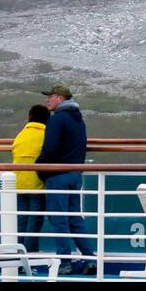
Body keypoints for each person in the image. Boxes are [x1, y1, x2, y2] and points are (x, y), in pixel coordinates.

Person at [35, 84, 95, 275]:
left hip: (57, 174)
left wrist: (40, 167)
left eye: (50, 97)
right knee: (74, 218)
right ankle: (90, 259)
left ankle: (65, 262)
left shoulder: (57, 120)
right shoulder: (78, 120)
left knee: (58, 219)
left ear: (60, 98)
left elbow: (50, 148)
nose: (47, 100)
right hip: (75, 174)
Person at [11, 104, 50, 253]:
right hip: (37, 185)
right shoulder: (45, 135)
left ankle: (17, 256)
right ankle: (30, 256)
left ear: (30, 117)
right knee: (34, 223)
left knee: (21, 222)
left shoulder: (21, 135)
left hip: (19, 183)